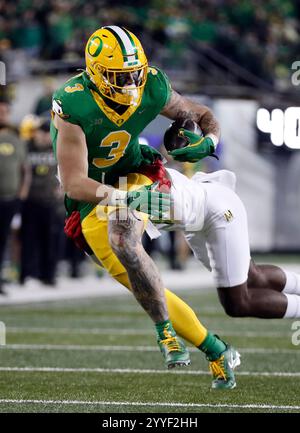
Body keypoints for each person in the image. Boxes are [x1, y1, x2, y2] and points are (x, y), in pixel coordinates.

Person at [51, 25, 240, 389]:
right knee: (139, 281)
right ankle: (215, 348)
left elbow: (201, 115)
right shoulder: (72, 103)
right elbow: (74, 182)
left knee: (123, 237)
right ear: (97, 75)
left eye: (135, 73)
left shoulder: (152, 85)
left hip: (135, 170)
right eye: (121, 77)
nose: (131, 84)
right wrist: (122, 198)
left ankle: (164, 334)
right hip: (90, 194)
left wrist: (207, 141)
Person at [0, 94, 30, 295]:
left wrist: (21, 196)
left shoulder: (15, 138)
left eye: (5, 111)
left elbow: (25, 169)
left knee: (3, 240)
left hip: (9, 199)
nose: (3, 115)